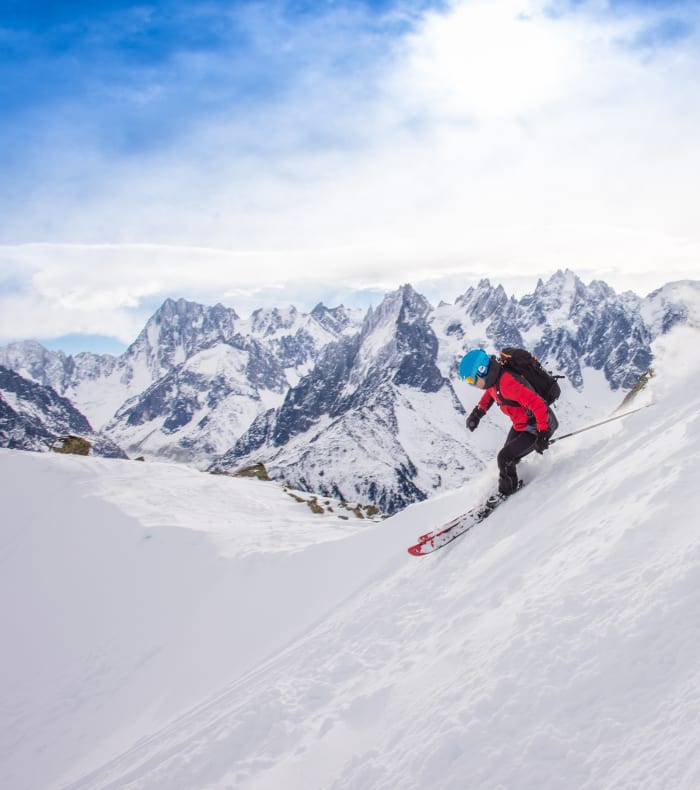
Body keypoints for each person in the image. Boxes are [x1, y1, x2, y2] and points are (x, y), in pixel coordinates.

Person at [459, 348, 558, 497]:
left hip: (538, 426)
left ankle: (507, 492)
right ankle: (513, 480)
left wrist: (542, 433)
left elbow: (537, 404)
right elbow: (490, 394)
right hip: (522, 424)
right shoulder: (494, 380)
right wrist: (477, 413)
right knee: (508, 455)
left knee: (504, 459)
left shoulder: (507, 383)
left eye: (471, 380)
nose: (472, 384)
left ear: (482, 370)